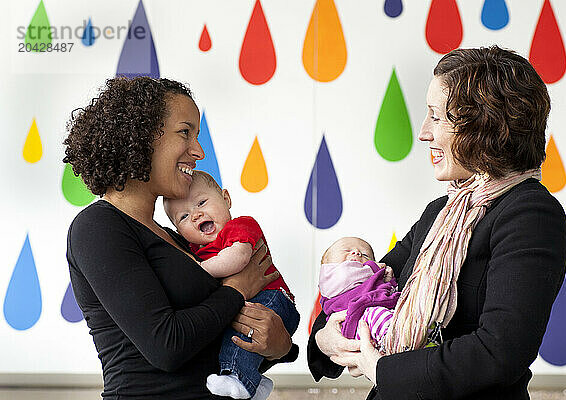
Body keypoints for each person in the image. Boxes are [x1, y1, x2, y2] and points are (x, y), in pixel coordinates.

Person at [307, 46, 566, 400]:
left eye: (436, 116)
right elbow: (366, 285)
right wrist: (326, 337)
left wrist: (382, 371)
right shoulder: (440, 211)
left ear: (483, 124)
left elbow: (501, 350)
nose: (424, 133)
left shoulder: (531, 215)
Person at [64, 77, 298, 399]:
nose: (198, 151)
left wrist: (280, 347)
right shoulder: (98, 227)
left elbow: (213, 343)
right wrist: (237, 289)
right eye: (185, 132)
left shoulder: (176, 239)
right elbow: (166, 346)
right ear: (142, 136)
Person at [163, 170, 300, 400]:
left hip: (273, 299)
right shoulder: (194, 250)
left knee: (241, 329)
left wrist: (198, 270)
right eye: (184, 217)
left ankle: (238, 377)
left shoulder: (238, 227)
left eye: (202, 202)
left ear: (226, 199)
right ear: (179, 231)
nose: (196, 215)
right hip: (251, 301)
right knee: (233, 332)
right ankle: (253, 381)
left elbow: (238, 257)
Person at [318, 237, 398, 352]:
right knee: (378, 316)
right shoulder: (330, 277)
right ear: (326, 263)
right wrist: (373, 268)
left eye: (365, 255)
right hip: (357, 321)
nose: (357, 252)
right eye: (346, 250)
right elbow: (346, 275)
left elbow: (387, 292)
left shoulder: (369, 277)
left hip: (382, 314)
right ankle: (397, 340)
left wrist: (388, 280)